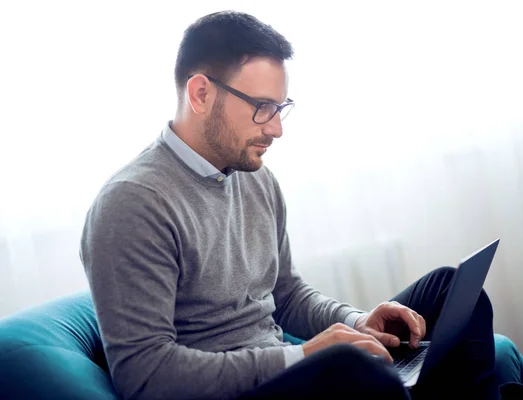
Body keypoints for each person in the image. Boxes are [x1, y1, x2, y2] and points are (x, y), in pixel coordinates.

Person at [80, 11, 498, 399]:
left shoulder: (256, 177)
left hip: (284, 370)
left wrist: (357, 321)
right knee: (354, 370)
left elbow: (287, 294)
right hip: (240, 392)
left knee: (451, 289)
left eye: (280, 109)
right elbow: (144, 373)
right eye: (263, 108)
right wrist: (305, 357)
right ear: (201, 93)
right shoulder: (134, 203)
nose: (277, 129)